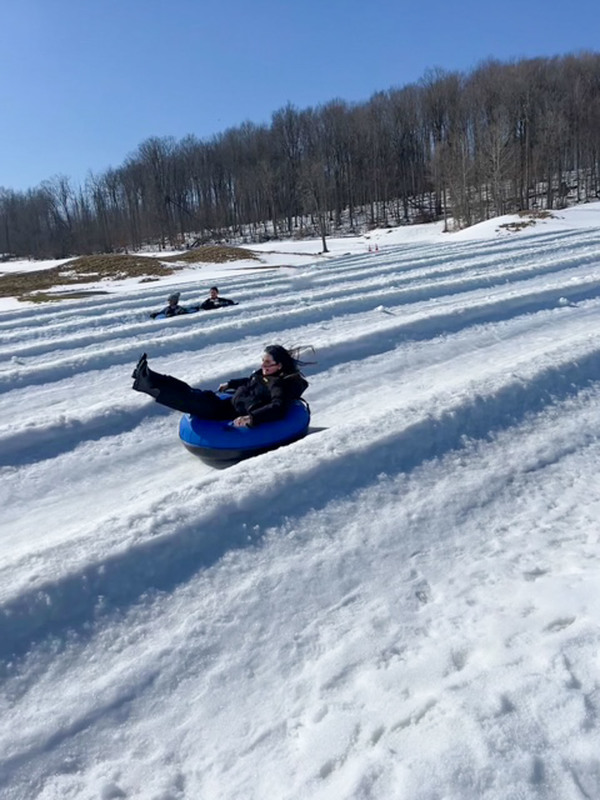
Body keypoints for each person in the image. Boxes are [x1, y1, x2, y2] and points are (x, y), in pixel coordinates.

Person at [131, 345, 308, 428]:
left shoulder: (279, 384)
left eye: (268, 362)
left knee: (191, 401)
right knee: (191, 391)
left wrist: (251, 417)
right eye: (262, 361)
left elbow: (278, 407)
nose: (263, 365)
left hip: (232, 412)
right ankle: (150, 376)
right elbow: (250, 381)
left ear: (280, 365)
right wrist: (230, 384)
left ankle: (149, 386)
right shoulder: (265, 374)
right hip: (230, 402)